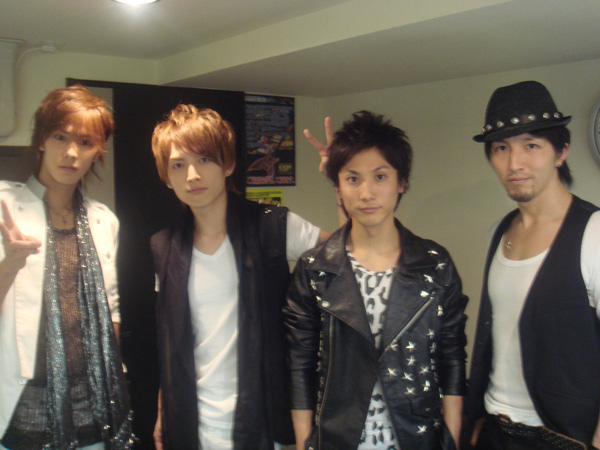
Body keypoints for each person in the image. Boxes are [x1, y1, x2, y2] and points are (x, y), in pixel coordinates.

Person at [285, 111, 468, 450]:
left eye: (380, 176)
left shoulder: (434, 264)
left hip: (417, 438)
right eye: (353, 179)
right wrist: (303, 442)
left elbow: (452, 357)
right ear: (338, 187)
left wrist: (453, 439)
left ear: (401, 182)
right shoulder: (314, 270)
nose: (367, 193)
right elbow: (300, 363)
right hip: (337, 440)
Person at [149, 104, 329, 450]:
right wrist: (162, 409)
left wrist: (340, 181)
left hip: (263, 420)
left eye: (204, 159)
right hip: (192, 423)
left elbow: (351, 252)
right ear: (166, 177)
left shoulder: (273, 226)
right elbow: (170, 341)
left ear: (228, 164)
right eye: (178, 165)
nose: (192, 176)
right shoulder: (164, 247)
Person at [465, 81, 600, 450]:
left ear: (561, 152)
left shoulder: (593, 233)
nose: (514, 163)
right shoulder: (498, 232)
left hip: (560, 438)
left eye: (531, 145)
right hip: (493, 429)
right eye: (501, 148)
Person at [0, 85, 134, 450]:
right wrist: (9, 265)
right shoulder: (5, 207)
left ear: (97, 152)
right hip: (21, 408)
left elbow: (110, 310)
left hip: (95, 409)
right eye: (61, 136)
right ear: (42, 140)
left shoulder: (103, 221)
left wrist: (113, 379)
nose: (71, 152)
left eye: (85, 142)